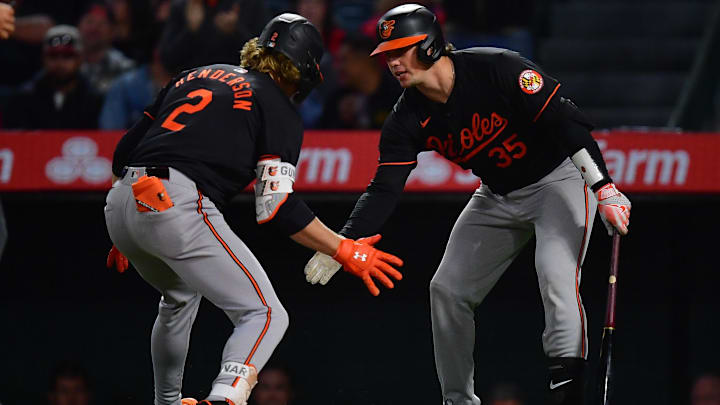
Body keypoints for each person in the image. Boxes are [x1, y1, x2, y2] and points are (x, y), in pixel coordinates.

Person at [302, 4, 632, 405]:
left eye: (401, 49)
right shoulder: (406, 117)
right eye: (387, 54)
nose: (393, 62)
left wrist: (604, 187)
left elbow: (566, 123)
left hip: (556, 179)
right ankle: (457, 400)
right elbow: (384, 188)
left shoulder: (496, 67)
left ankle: (569, 395)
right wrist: (342, 242)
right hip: (497, 194)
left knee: (555, 277)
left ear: (429, 45)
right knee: (446, 289)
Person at [104, 13, 403, 405]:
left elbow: (123, 153)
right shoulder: (275, 103)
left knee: (178, 297)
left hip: (122, 202)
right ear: (306, 69)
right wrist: (343, 248)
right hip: (174, 203)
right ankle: (227, 397)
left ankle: (168, 401)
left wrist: (133, 222)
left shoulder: (197, 74)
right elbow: (276, 207)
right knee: (264, 314)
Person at [3, 24, 104, 129]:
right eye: (53, 55)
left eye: (67, 56)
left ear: (80, 59)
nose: (60, 63)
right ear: (43, 58)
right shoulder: (24, 98)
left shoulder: (94, 100)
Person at [157, 0, 268, 74]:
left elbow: (263, 58)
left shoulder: (250, 4)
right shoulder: (183, 6)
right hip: (192, 84)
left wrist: (236, 31)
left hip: (237, 84)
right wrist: (190, 31)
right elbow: (167, 61)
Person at [318, 34, 400, 129]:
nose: (338, 67)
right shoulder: (337, 100)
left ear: (365, 60)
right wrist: (343, 120)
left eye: (344, 60)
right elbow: (321, 139)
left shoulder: (400, 96)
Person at [77, 2, 135, 94]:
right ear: (79, 26)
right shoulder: (66, 61)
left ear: (112, 31)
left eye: (101, 24)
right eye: (89, 21)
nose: (94, 28)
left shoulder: (125, 69)